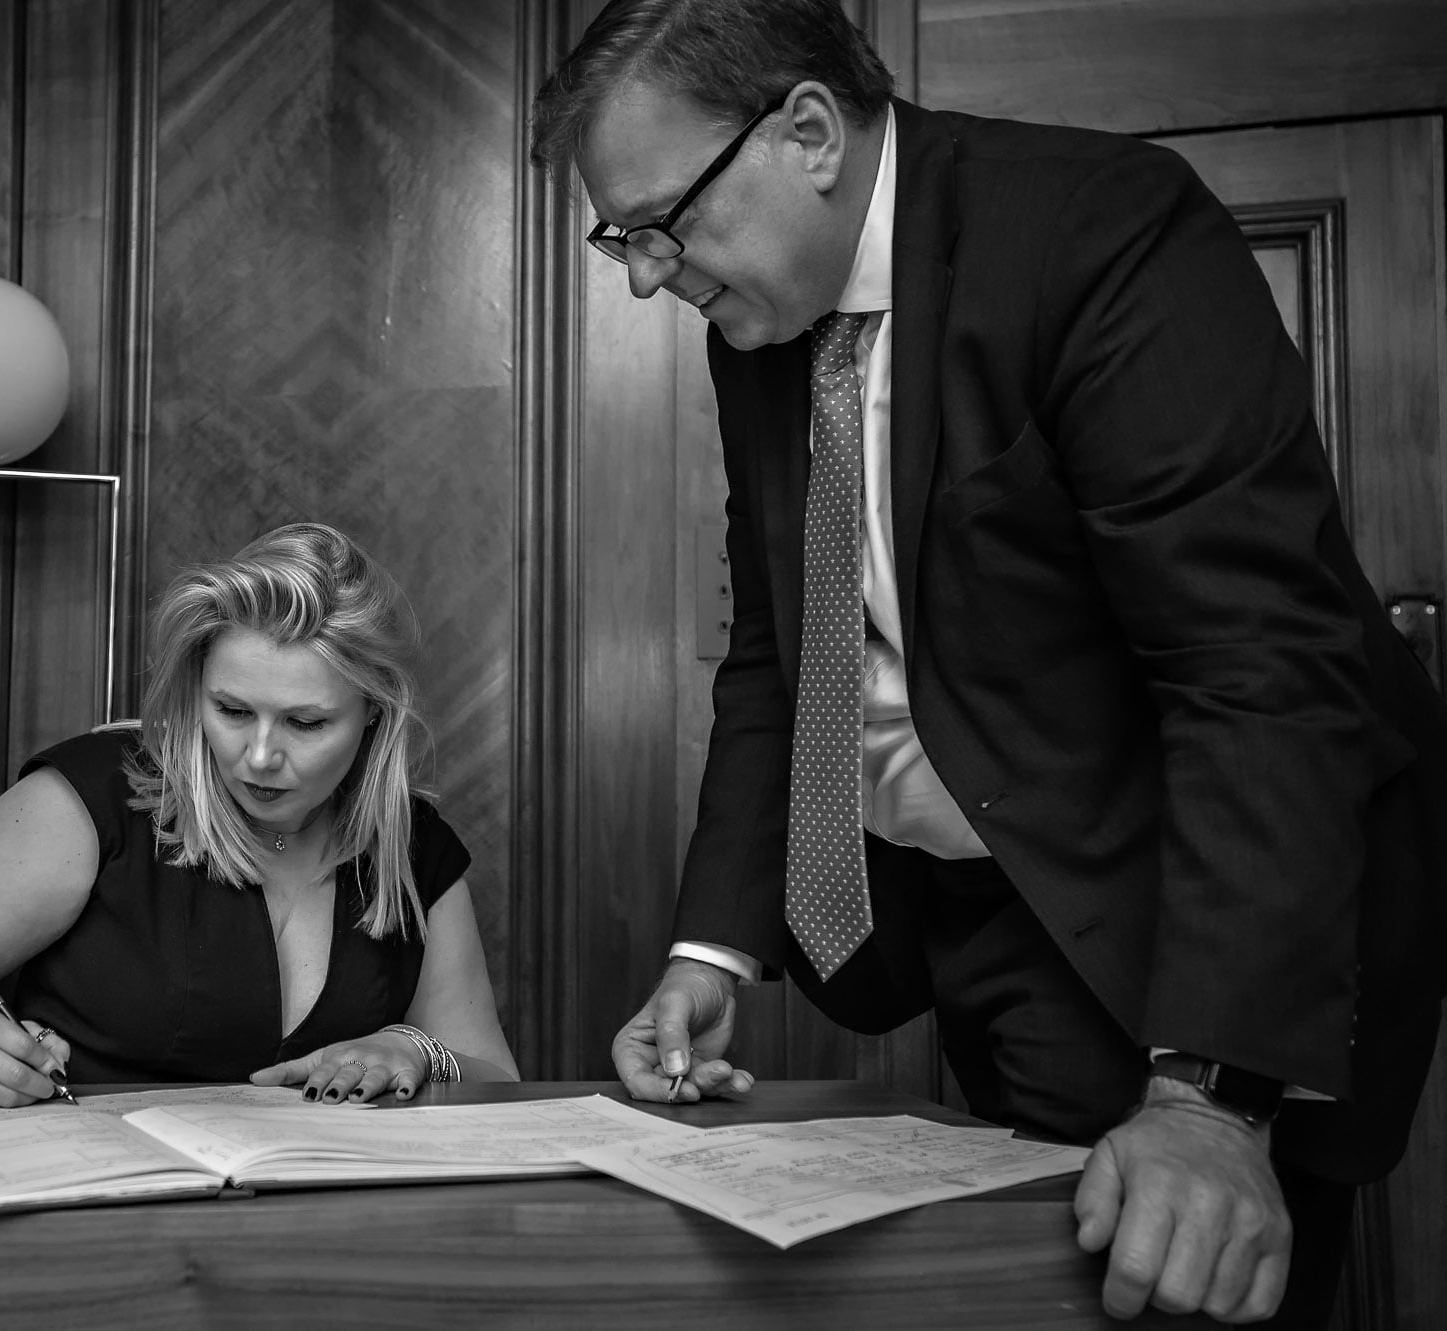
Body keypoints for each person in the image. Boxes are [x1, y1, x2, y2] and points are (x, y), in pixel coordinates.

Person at [532, 1, 1446, 1325]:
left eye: (660, 221)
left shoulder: (1100, 233)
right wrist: (710, 954)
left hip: (1194, 928)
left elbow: (1257, 667)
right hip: (986, 918)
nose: (643, 274)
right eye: (624, 237)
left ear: (806, 132)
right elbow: (778, 659)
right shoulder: (761, 327)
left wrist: (1211, 1095)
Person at [0, 522, 518, 1111]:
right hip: (85, 1211)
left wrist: (415, 1048)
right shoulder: (98, 797)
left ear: (374, 711)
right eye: (231, 710)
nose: (258, 755)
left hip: (322, 1232)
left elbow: (497, 1078)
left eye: (305, 722)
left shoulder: (412, 848)